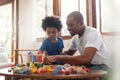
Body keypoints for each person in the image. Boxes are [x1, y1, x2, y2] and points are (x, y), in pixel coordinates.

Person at [44, 11, 112, 80]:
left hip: (103, 66)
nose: (68, 28)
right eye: (67, 25)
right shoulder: (75, 38)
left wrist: (57, 57)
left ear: (81, 23)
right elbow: (68, 54)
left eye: (71, 25)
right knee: (63, 73)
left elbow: (86, 59)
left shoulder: (93, 33)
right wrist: (52, 55)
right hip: (89, 66)